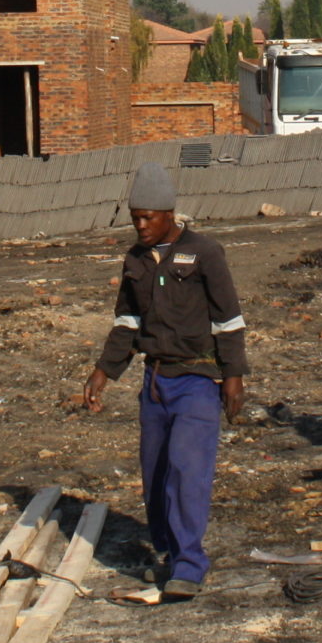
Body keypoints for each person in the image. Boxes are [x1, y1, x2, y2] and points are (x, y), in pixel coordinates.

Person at [77, 163, 248, 603]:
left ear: (169, 214)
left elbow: (228, 320)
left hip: (196, 379)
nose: (140, 225)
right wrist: (104, 371)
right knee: (154, 475)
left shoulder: (205, 253)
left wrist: (233, 376)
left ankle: (190, 566)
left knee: (187, 472)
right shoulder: (135, 259)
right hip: (155, 382)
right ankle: (169, 555)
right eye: (135, 217)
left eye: (148, 217)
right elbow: (127, 322)